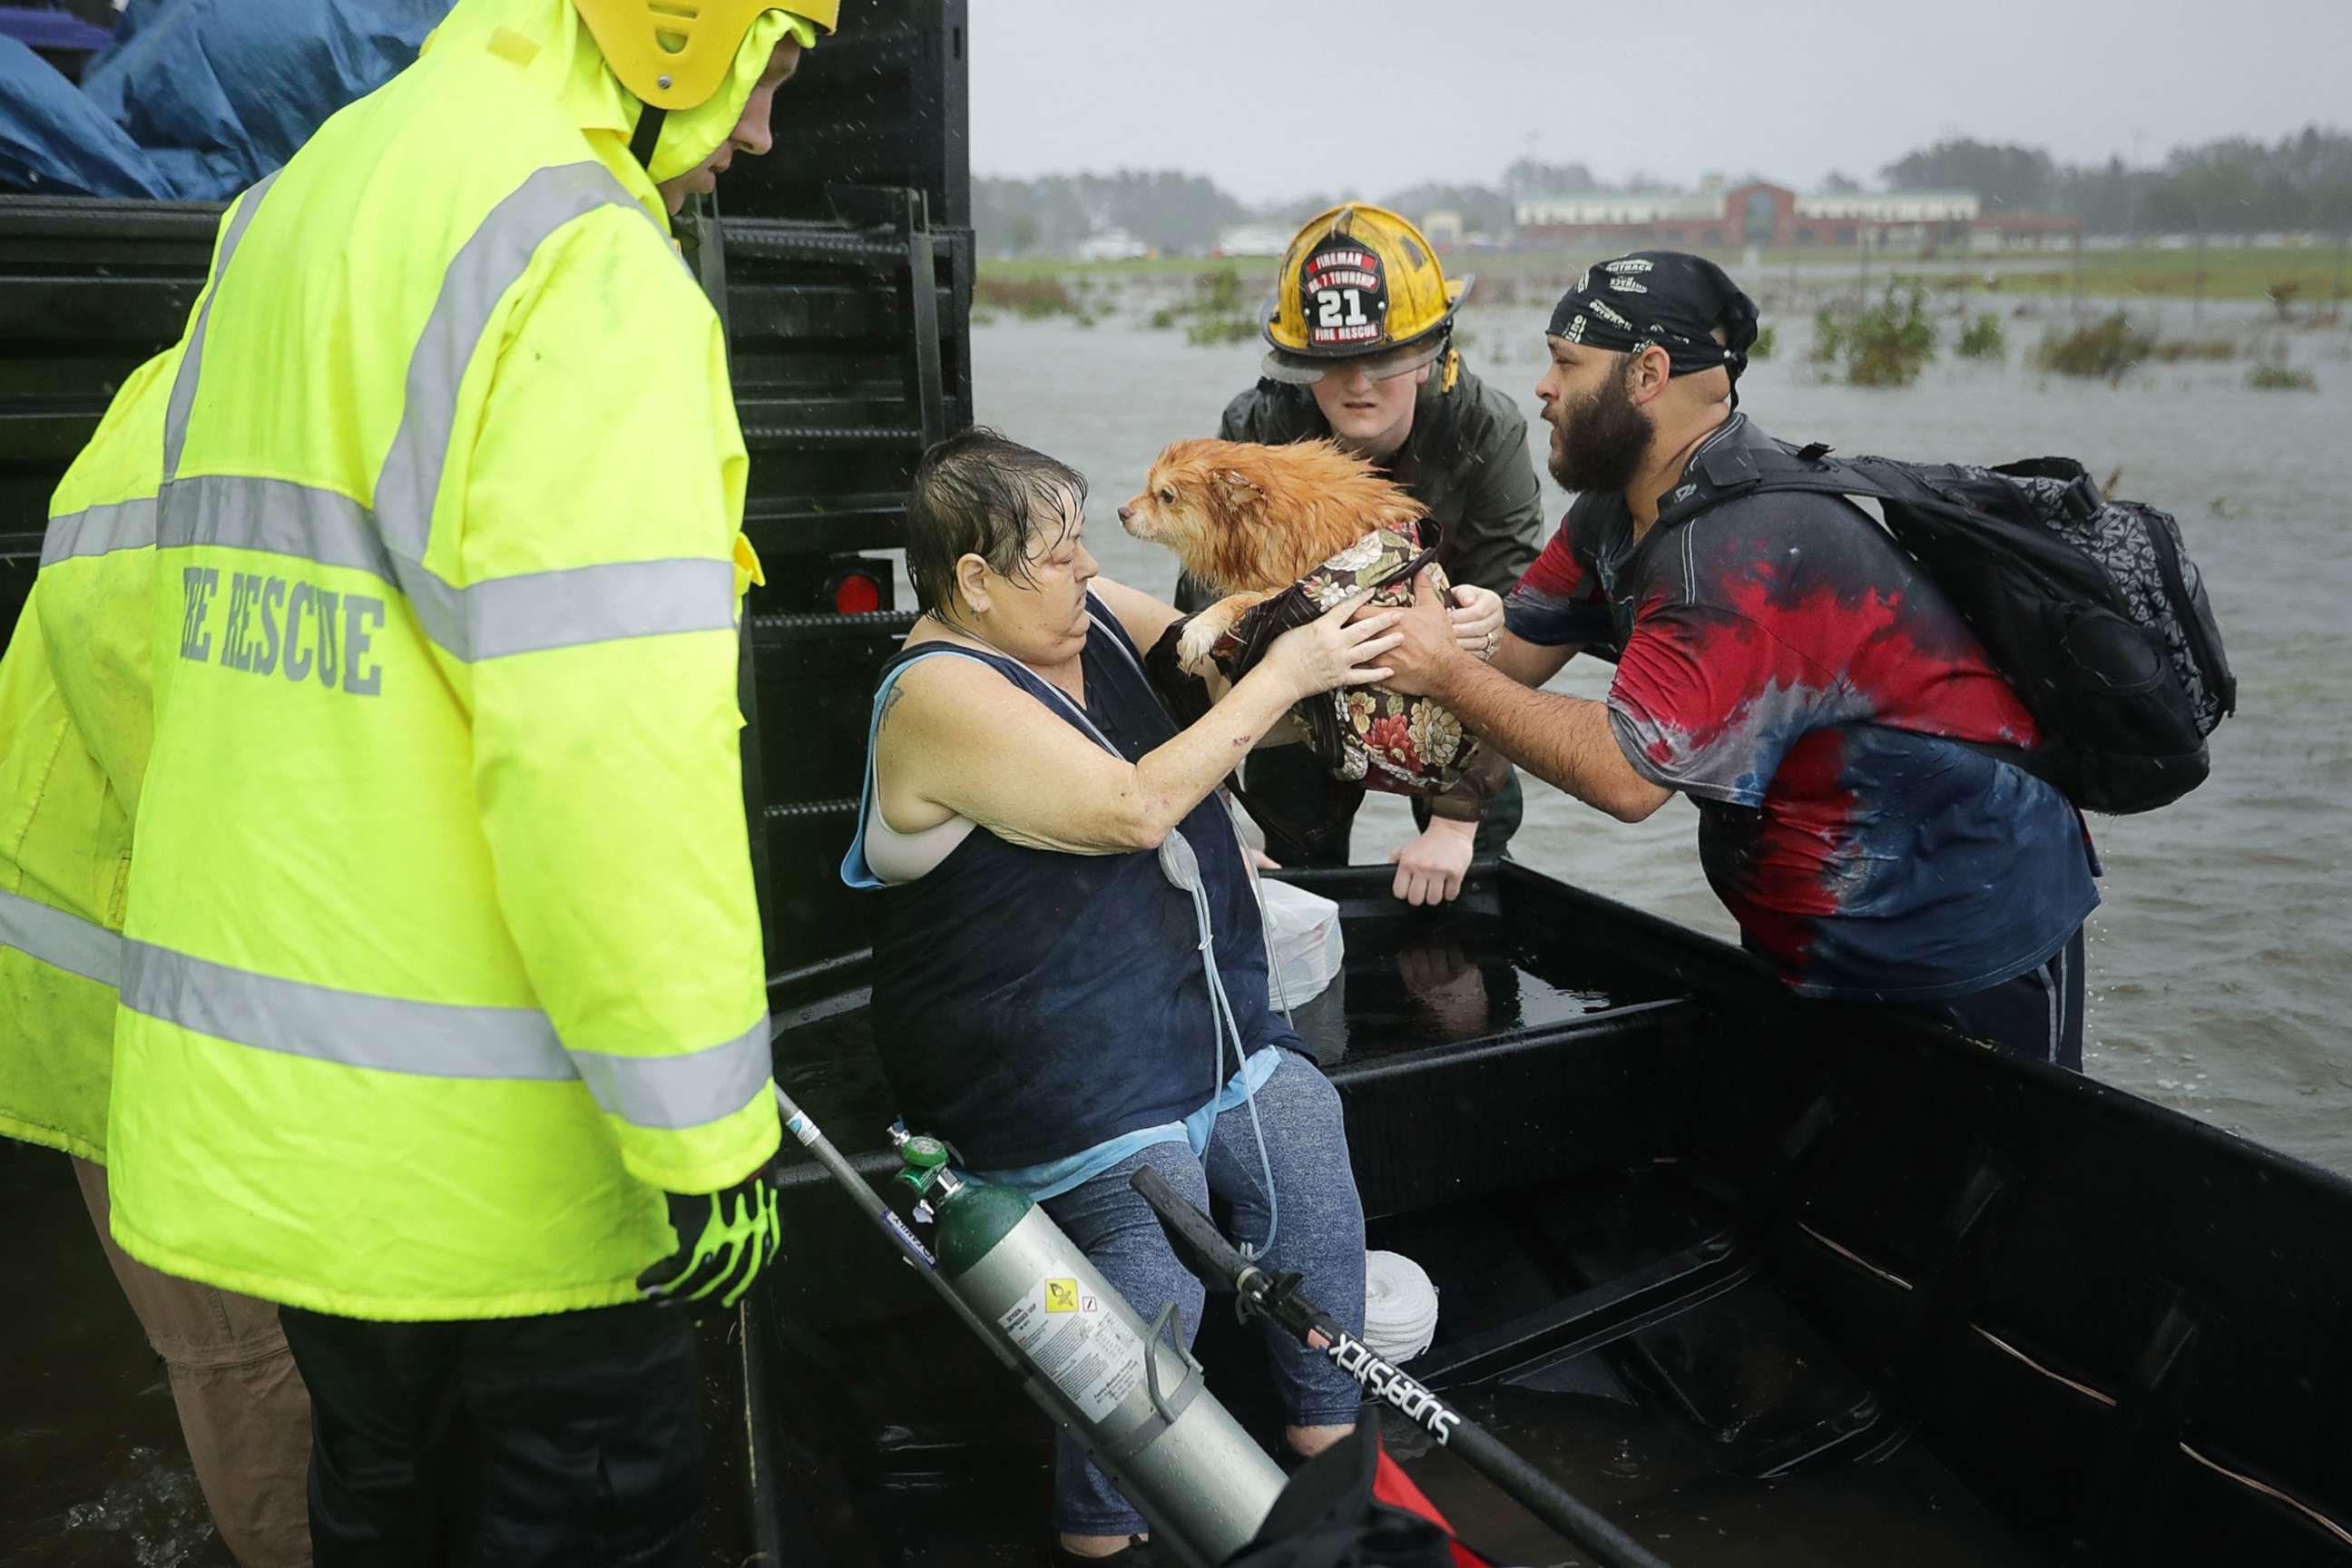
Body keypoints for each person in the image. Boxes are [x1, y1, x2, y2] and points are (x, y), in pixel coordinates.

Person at [5, 1, 835, 1559]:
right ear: (677, 30)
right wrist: (706, 1131)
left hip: (302, 1151)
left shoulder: (308, 192)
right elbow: (604, 747)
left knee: (371, 1502)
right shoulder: (584, 261)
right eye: (768, 75)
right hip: (504, 1182)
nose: (764, 135)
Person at [846, 429, 1468, 1564]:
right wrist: (1285, 671)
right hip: (1050, 1071)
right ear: (974, 582)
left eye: (1086, 542)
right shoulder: (937, 691)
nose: (1089, 571)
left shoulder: (1082, 617)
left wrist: (1404, 640)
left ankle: (1331, 1453)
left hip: (1196, 1023)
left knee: (1299, 1125)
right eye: (1058, 554)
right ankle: (1106, 1539)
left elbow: (1241, 696)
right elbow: (1132, 805)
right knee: (1151, 1257)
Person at [1372, 252, 2102, 1068]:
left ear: (1647, 374)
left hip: (1966, 933)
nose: (1542, 387)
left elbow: (1627, 777)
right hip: (1811, 931)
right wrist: (1417, 626)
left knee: (1995, 1182)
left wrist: (1445, 670)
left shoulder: (1736, 551)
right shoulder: (1616, 509)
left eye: (1566, 362)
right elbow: (1513, 657)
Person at [1176, 203, 1541, 904]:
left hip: (1450, 687)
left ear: (1431, 350)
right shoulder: (1258, 428)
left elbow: (1523, 639)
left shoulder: (1486, 431)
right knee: (1293, 856)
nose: (1357, 383)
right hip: (1301, 684)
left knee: (1477, 855)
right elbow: (1200, 625)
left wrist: (1456, 825)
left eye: (1382, 357)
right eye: (1329, 362)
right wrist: (1209, 811)